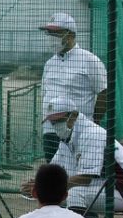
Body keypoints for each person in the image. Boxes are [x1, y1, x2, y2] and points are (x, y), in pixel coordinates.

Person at [33, 96, 123, 218]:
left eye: (59, 120)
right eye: (52, 122)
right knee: (48, 197)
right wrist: (39, 184)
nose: (55, 125)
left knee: (74, 193)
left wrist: (48, 187)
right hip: (102, 187)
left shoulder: (92, 134)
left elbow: (85, 178)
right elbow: (53, 169)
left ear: (74, 116)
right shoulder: (67, 137)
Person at [39, 13, 107, 161]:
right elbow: (44, 93)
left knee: (76, 173)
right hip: (51, 130)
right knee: (53, 173)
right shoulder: (50, 63)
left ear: (70, 34)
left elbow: (104, 93)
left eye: (56, 33)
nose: (51, 37)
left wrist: (94, 121)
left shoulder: (90, 61)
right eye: (49, 33)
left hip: (77, 131)